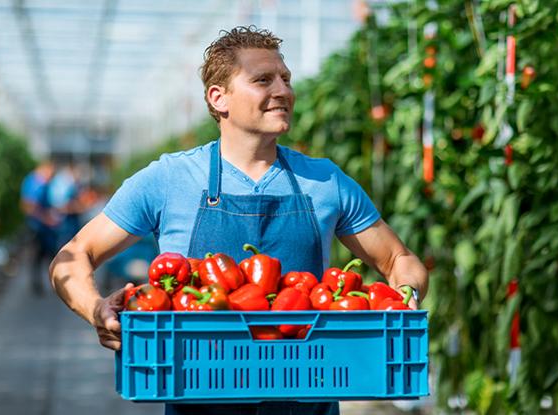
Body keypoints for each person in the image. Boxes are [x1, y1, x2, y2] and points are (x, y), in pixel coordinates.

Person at [49, 26, 428, 415]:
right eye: (263, 80)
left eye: (285, 79)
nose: (283, 91)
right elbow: (75, 254)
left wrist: (406, 298)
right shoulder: (169, 179)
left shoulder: (325, 181)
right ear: (219, 98)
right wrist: (95, 308)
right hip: (198, 395)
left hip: (306, 395)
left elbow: (399, 260)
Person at [20, 160, 58, 295]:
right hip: (37, 227)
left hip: (45, 228)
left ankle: (52, 284)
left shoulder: (42, 183)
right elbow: (29, 206)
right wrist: (46, 219)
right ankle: (38, 285)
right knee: (38, 257)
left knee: (48, 255)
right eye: (51, 174)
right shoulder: (35, 183)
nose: (51, 178)